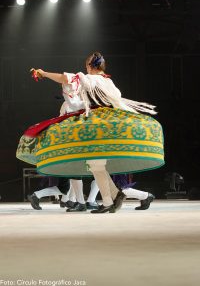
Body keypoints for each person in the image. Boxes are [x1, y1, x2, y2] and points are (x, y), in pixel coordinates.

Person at [16, 52, 164, 213]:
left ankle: (109, 200)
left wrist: (43, 73)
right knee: (97, 165)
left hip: (96, 124)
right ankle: (114, 196)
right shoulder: (109, 81)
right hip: (111, 123)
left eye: (86, 66)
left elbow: (66, 79)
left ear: (90, 66)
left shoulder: (90, 78)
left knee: (95, 164)